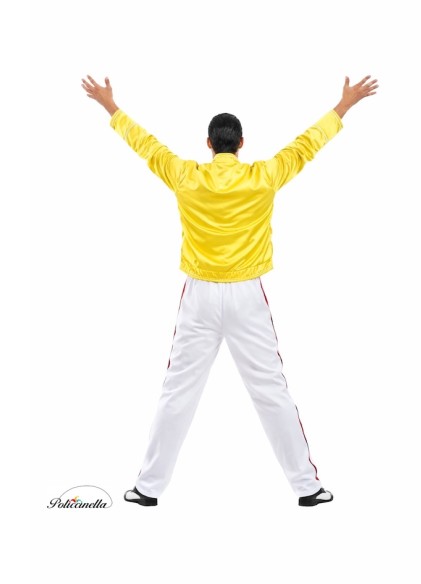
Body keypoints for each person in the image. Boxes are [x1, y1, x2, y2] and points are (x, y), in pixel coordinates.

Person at [81, 73, 378, 507]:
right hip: (246, 297)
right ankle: (307, 487)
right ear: (241, 144)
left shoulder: (185, 176)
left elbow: (146, 146)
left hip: (199, 297)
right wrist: (344, 105)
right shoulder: (264, 176)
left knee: (177, 391)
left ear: (209, 144)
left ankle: (147, 489)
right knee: (271, 390)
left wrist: (110, 106)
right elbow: (305, 146)